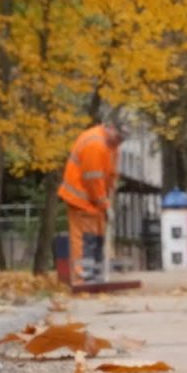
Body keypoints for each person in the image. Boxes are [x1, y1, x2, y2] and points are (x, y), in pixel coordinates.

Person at [57, 116, 127, 285]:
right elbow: (93, 180)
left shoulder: (112, 146)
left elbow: (110, 174)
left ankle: (94, 274)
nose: (120, 142)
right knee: (85, 238)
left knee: (97, 238)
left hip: (94, 201)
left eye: (122, 140)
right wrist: (105, 205)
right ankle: (84, 276)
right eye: (118, 137)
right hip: (82, 199)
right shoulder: (95, 145)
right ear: (110, 128)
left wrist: (111, 190)